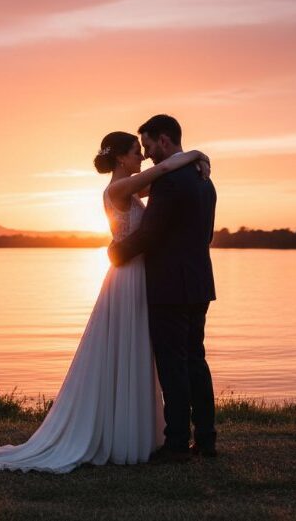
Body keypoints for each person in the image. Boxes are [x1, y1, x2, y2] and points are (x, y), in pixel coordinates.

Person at [0, 130, 210, 473]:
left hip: (139, 276)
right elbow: (161, 172)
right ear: (120, 158)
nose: (142, 157)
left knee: (136, 350)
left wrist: (193, 164)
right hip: (127, 278)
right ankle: (115, 433)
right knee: (123, 347)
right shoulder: (117, 189)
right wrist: (196, 154)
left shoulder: (131, 188)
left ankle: (132, 432)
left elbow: (162, 183)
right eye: (136, 152)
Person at [109, 114, 218, 461]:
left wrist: (116, 252)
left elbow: (151, 234)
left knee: (173, 365)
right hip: (199, 282)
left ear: (165, 140)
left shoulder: (170, 183)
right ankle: (206, 438)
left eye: (149, 144)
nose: (147, 152)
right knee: (196, 361)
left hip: (170, 285)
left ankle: (175, 444)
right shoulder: (205, 181)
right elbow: (207, 235)